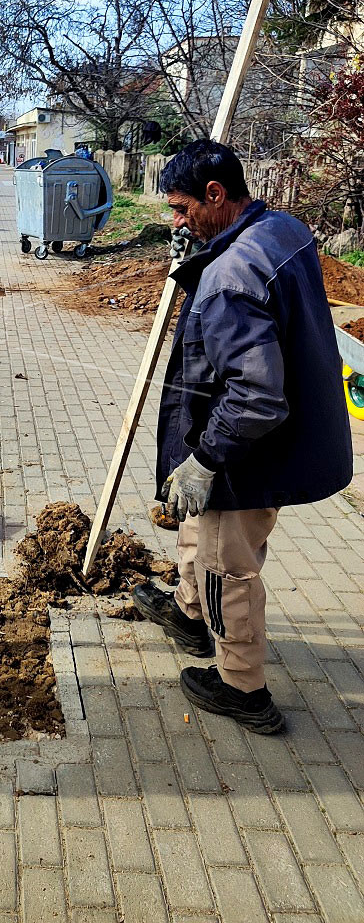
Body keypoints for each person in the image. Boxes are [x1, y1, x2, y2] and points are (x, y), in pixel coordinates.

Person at [132, 139, 351, 734]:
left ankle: (243, 687)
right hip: (259, 426)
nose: (175, 222)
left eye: (182, 209)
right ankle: (188, 612)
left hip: (247, 446)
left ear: (215, 194)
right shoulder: (282, 228)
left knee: (229, 562)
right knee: (195, 530)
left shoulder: (232, 276)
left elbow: (255, 396)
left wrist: (205, 461)